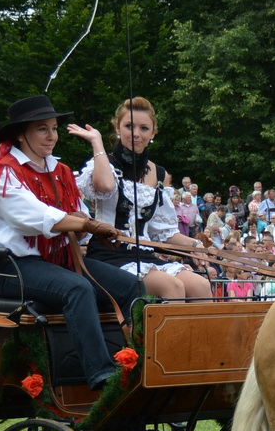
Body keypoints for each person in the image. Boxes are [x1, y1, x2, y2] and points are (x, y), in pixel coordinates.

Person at [0, 95, 141, 391]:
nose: (52, 136)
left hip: (60, 261)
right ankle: (100, 376)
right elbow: (35, 218)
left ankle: (135, 362)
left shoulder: (61, 171)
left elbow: (76, 215)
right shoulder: (6, 171)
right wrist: (86, 223)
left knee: (131, 285)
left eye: (54, 128)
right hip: (15, 268)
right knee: (77, 288)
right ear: (21, 134)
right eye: (42, 129)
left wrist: (86, 226)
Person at [78, 97, 212, 301]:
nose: (136, 134)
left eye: (144, 128)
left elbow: (164, 233)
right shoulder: (105, 165)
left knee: (201, 285)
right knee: (172, 286)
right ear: (117, 127)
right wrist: (97, 143)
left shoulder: (160, 174)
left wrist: (195, 245)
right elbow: (104, 186)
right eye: (129, 126)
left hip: (145, 257)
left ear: (153, 132)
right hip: (109, 257)